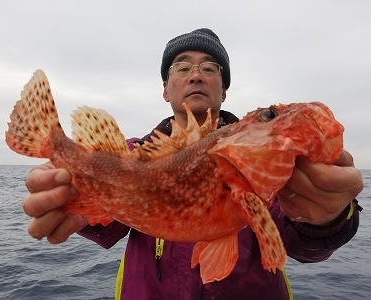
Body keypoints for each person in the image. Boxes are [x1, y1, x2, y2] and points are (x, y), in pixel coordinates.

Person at [22, 28, 363, 299]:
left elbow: (302, 241)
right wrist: (65, 195)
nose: (195, 75)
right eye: (182, 67)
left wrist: (328, 217)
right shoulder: (130, 154)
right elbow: (105, 222)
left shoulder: (270, 177)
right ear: (166, 90)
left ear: (224, 91)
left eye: (209, 68)